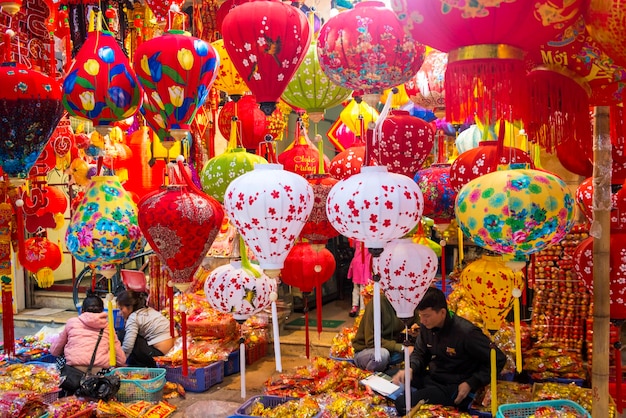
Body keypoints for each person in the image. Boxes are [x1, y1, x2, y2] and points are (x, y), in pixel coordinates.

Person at [391, 287, 507, 416]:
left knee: (402, 404)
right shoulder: (426, 326)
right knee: (391, 376)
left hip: (453, 386)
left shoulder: (466, 333)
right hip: (433, 376)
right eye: (420, 316)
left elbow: (498, 358)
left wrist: (471, 382)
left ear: (442, 312)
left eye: (426, 316)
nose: (422, 321)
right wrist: (411, 368)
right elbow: (420, 353)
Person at [51, 294, 126, 390]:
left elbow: (54, 351)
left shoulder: (72, 322)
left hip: (73, 373)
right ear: (102, 311)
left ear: (82, 310)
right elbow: (121, 359)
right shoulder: (108, 327)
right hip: (99, 375)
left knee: (60, 357)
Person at [352, 292, 418, 373]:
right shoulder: (378, 303)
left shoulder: (409, 302)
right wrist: (403, 348)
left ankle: (386, 371)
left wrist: (416, 330)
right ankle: (372, 378)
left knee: (414, 352)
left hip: (390, 350)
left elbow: (418, 325)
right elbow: (371, 341)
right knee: (382, 355)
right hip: (367, 351)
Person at [117, 290, 175, 367]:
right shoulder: (149, 310)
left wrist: (120, 362)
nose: (120, 313)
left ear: (130, 306)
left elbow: (128, 346)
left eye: (121, 309)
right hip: (172, 351)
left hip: (159, 355)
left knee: (122, 335)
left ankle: (136, 366)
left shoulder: (134, 317)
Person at [347, 240, 372, 317]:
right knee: (363, 288)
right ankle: (362, 309)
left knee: (356, 287)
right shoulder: (370, 237)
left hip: (357, 262)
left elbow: (353, 246)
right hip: (365, 264)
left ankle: (354, 307)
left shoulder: (355, 237)